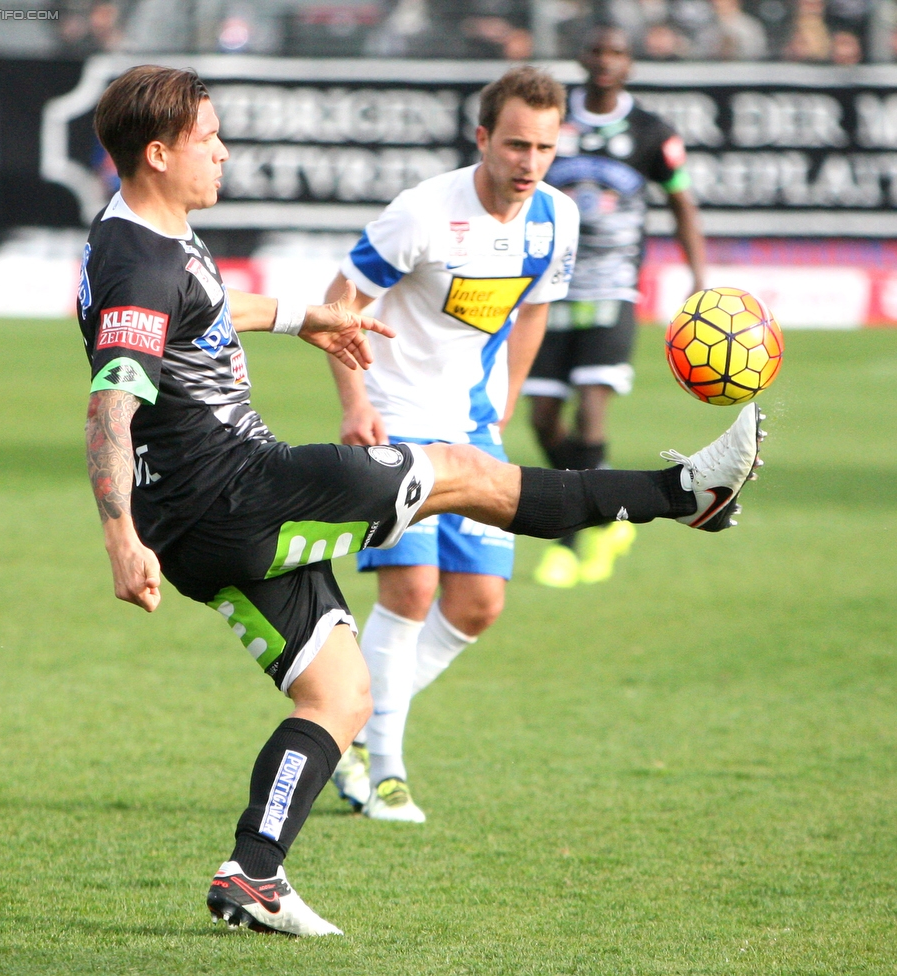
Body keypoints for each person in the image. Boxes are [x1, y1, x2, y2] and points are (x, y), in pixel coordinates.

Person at [80, 64, 763, 938]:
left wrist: (303, 316)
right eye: (209, 139)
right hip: (233, 492)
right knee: (466, 476)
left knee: (340, 693)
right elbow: (111, 401)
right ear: (159, 151)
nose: (223, 151)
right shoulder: (139, 258)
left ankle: (253, 873)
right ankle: (684, 494)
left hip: (201, 521)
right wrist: (117, 538)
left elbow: (201, 307)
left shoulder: (146, 231)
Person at [324, 66, 578, 824]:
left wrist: (505, 399)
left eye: (543, 147)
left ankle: (352, 728)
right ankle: (388, 772)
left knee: (477, 605)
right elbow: (339, 303)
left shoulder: (556, 218)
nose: (528, 162)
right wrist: (356, 405)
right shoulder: (423, 212)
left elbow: (533, 310)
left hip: (471, 425)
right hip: (396, 416)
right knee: (411, 589)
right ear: (482, 139)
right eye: (514, 145)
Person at [524, 23, 707, 589]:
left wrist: (698, 279)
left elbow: (681, 203)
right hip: (550, 289)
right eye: (597, 51)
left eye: (617, 53)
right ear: (581, 57)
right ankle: (601, 516)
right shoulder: (552, 119)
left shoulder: (652, 132)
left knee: (590, 412)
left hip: (612, 290)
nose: (606, 61)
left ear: (629, 64)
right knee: (543, 418)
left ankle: (577, 537)